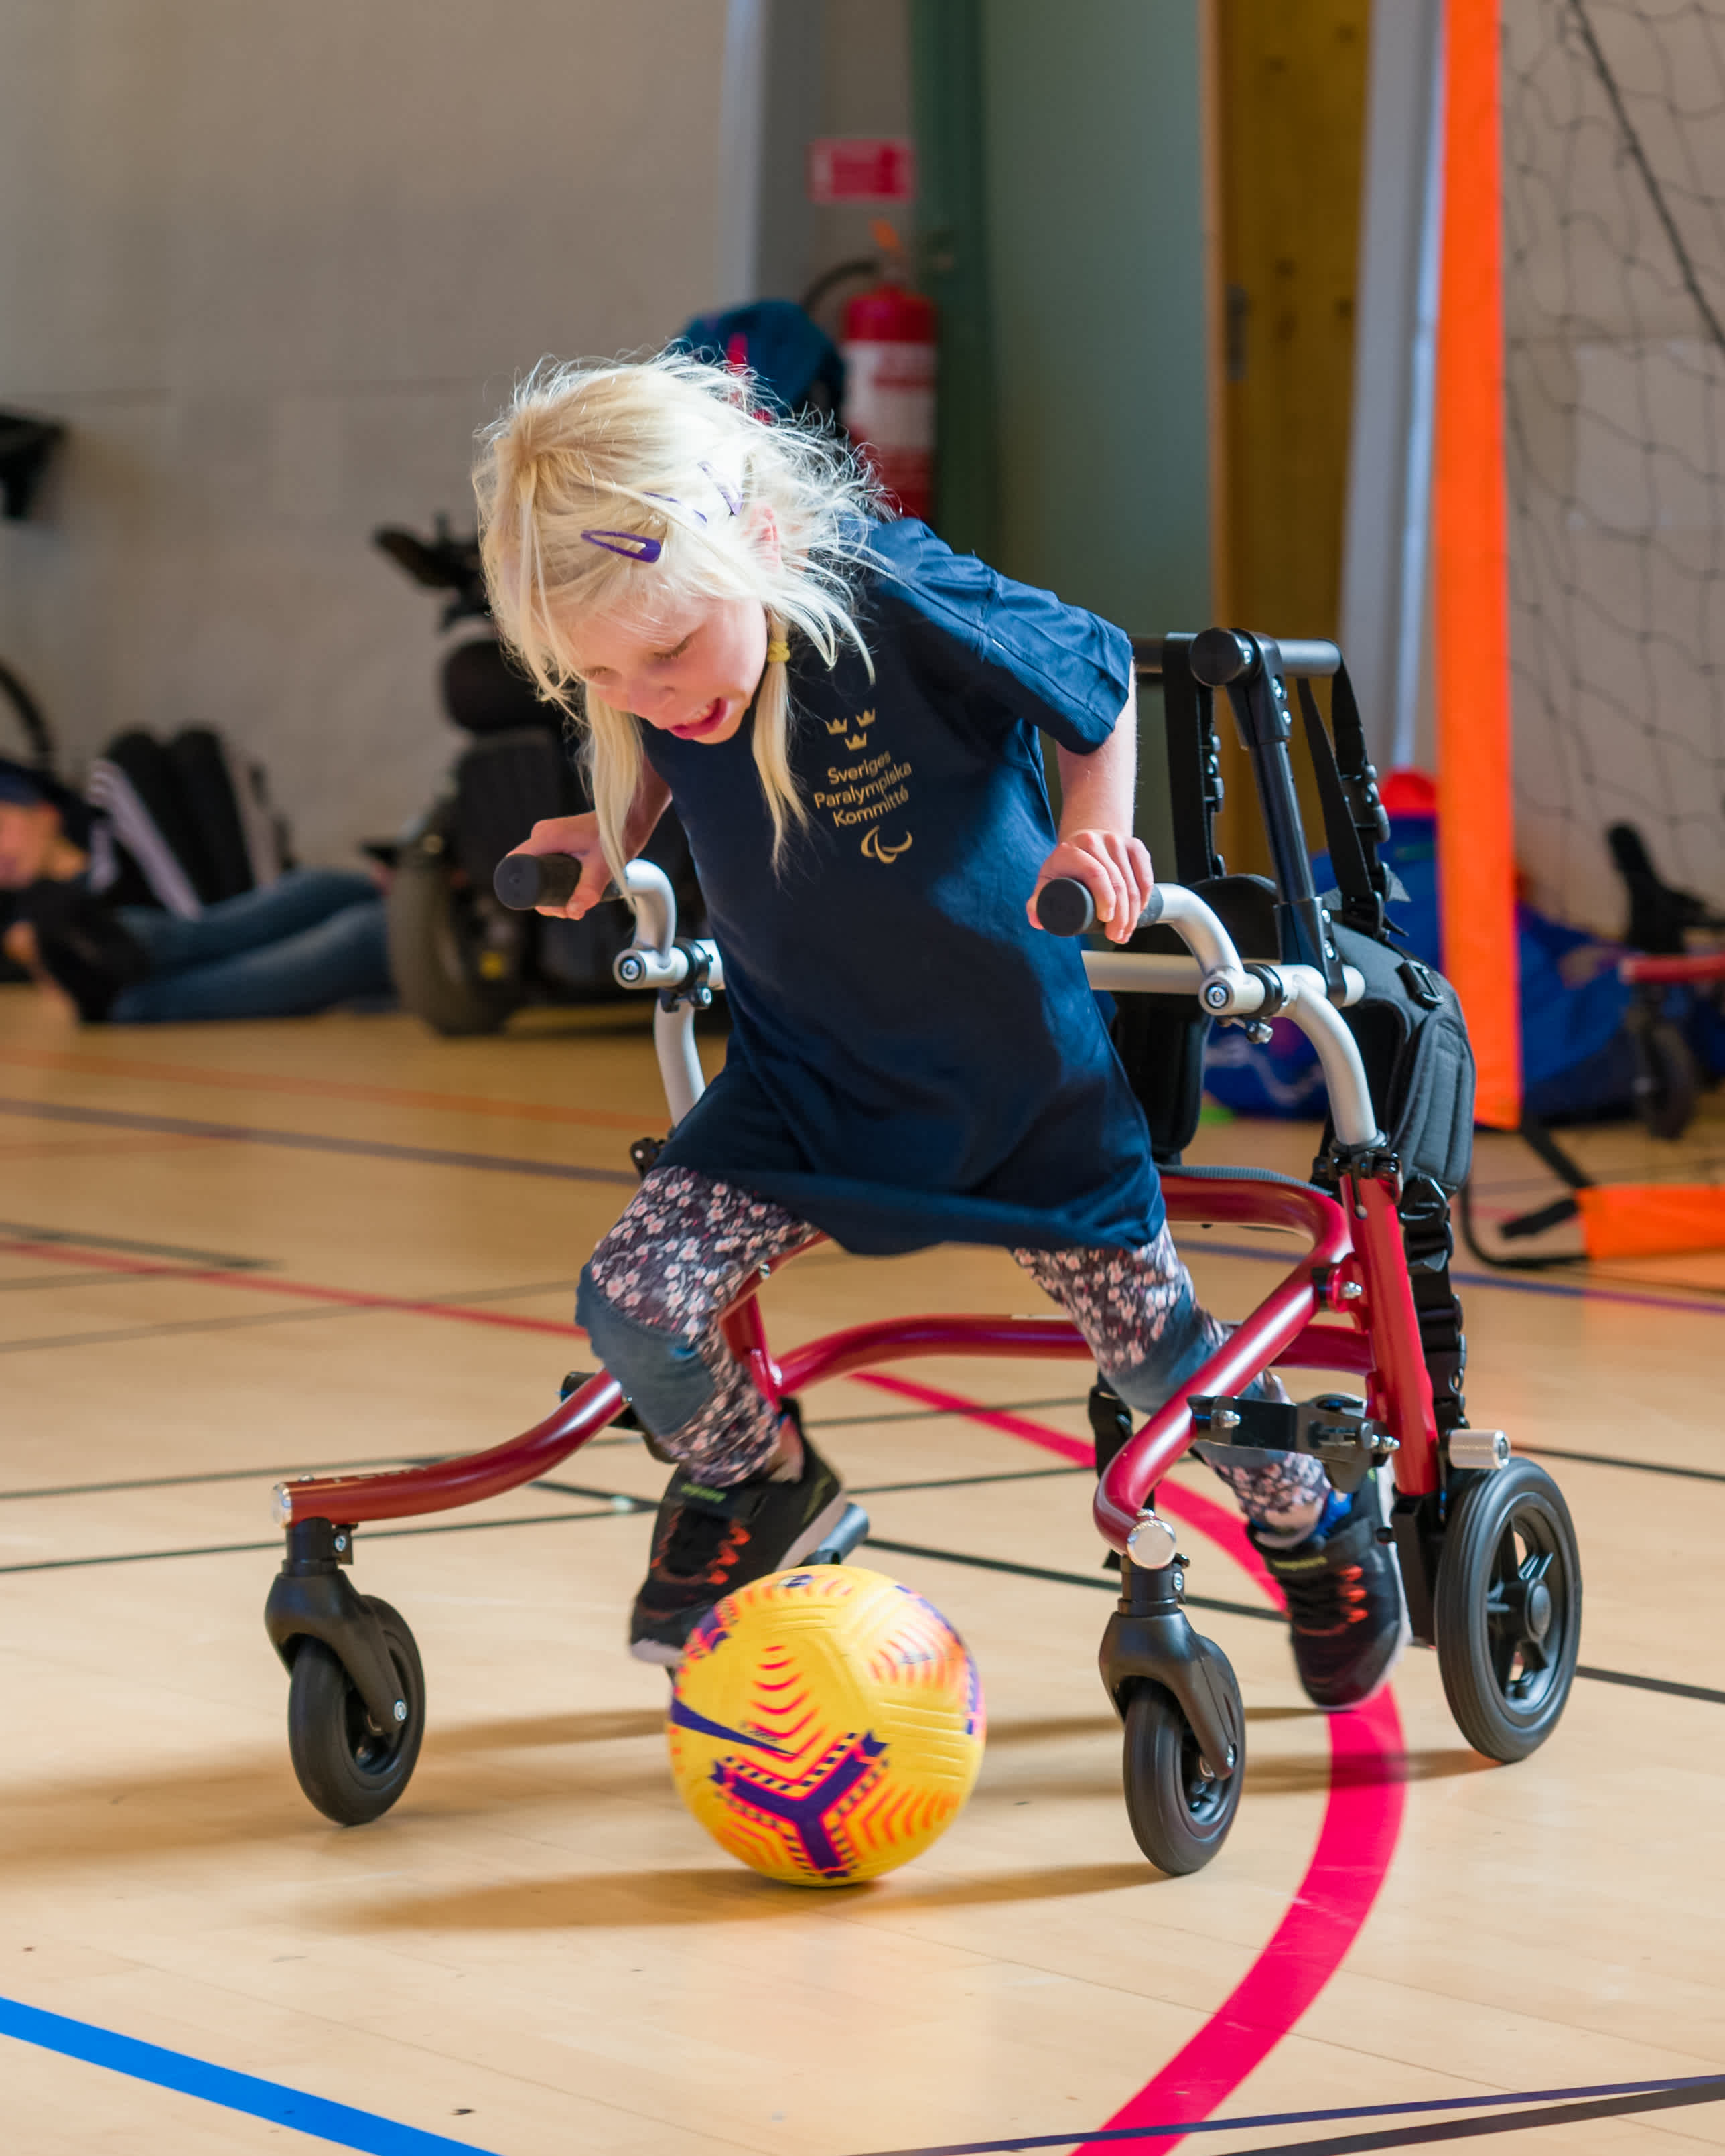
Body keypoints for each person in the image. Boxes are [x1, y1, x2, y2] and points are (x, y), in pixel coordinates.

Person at [475, 351, 1405, 1703]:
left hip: (1019, 1093)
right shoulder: (667, 675)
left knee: (1158, 1365)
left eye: (671, 652)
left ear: (762, 541)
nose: (658, 697)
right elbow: (669, 753)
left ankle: (1315, 1511)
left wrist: (1098, 833)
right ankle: (765, 1481)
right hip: (805, 1084)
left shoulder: (890, 596)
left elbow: (1091, 672)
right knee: (631, 1307)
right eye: (606, 678)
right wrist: (605, 833)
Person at [0, 757, 392, 1023]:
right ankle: (122, 988)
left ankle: (122, 982)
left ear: (46, 814)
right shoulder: (27, 914)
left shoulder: (105, 842)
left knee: (313, 922)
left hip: (172, 931)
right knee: (351, 935)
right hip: (135, 957)